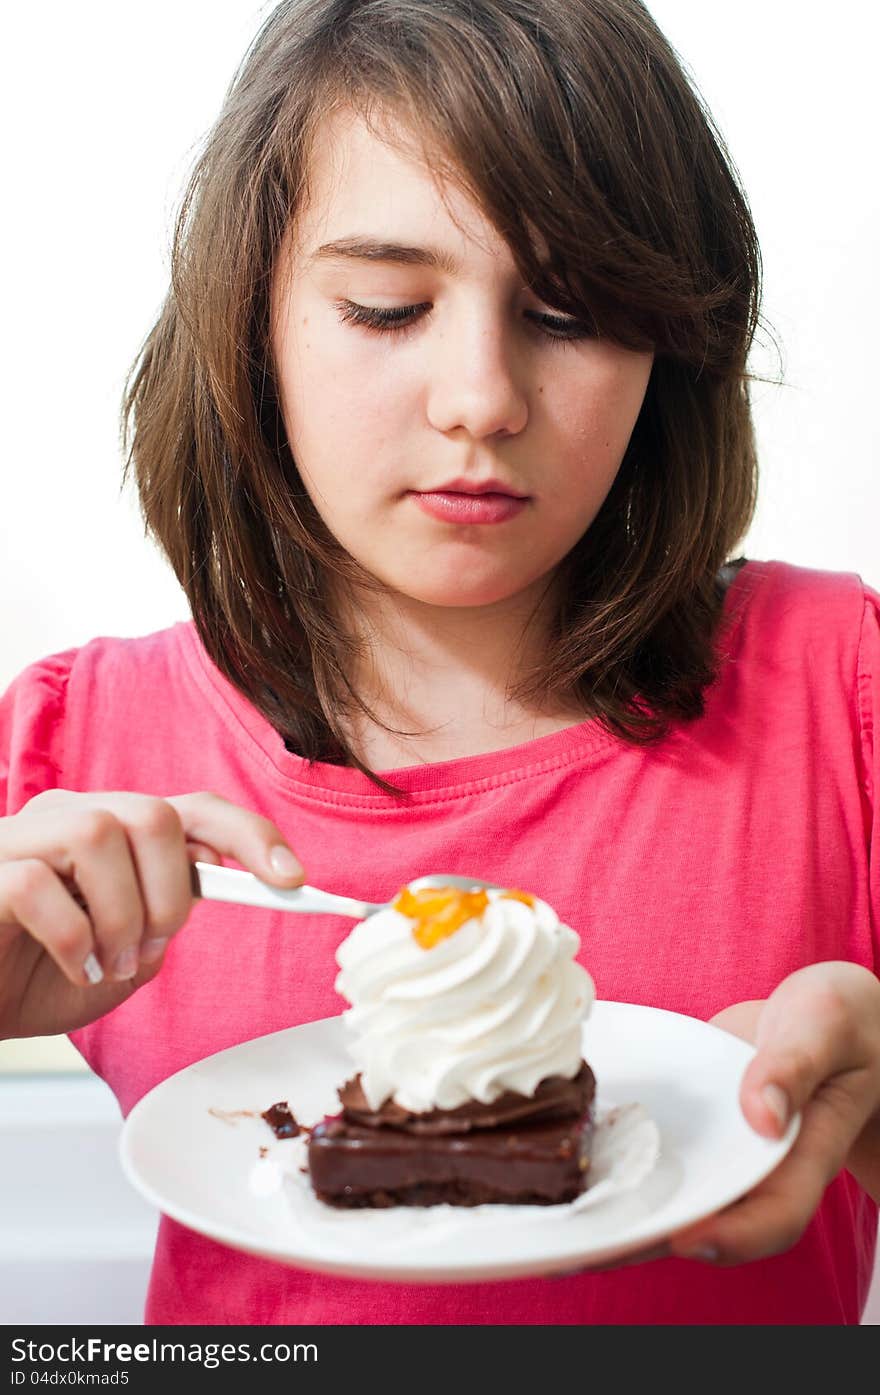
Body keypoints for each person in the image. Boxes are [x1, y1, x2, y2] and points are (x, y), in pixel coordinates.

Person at [1, 0, 878, 1326]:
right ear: (253, 326)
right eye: (388, 304)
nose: (481, 397)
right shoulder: (75, 748)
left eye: (572, 311)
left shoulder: (844, 691)